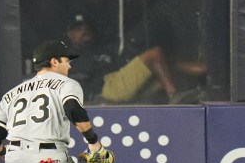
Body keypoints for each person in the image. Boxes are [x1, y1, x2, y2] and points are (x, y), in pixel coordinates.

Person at [66, 17, 207, 104]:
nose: (85, 34)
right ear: (70, 34)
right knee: (154, 54)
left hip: (120, 83)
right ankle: (173, 95)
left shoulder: (102, 49)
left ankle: (208, 83)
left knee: (164, 64)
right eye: (79, 30)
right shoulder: (69, 56)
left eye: (87, 30)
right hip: (106, 89)